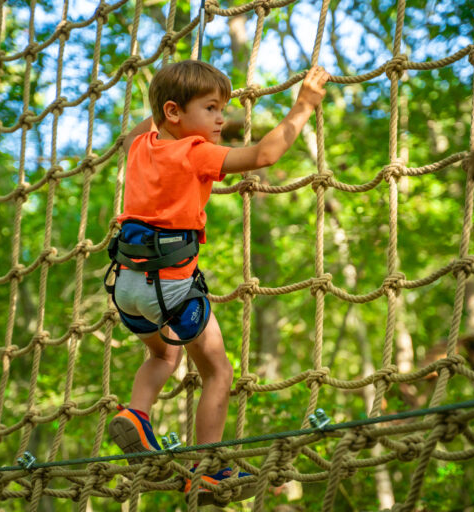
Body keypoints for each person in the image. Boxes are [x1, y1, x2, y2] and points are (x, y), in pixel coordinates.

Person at [105, 59, 329, 504]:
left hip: (125, 288)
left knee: (163, 357)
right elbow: (264, 155)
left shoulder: (139, 146)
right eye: (210, 108)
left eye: (221, 108)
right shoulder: (194, 152)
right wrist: (303, 106)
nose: (221, 118)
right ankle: (206, 466)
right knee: (218, 371)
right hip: (171, 288)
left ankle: (137, 414)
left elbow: (140, 127)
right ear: (174, 113)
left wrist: (170, 101)